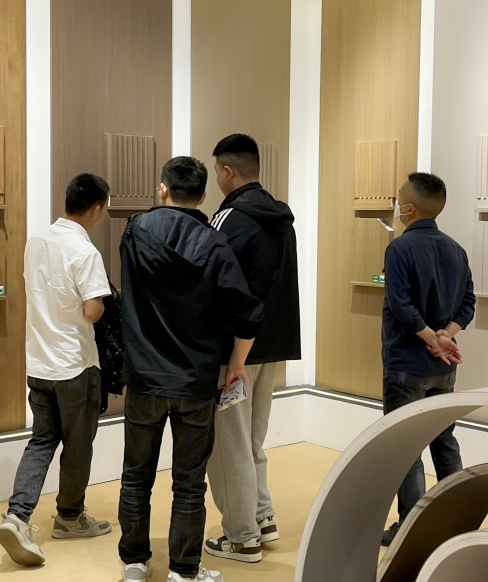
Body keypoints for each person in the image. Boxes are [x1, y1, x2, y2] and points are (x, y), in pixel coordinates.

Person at [117, 156, 264, 582]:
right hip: (195, 381)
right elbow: (248, 315)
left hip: (144, 378)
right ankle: (183, 570)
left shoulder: (134, 233)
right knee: (189, 483)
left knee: (135, 477)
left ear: (163, 189)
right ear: (202, 197)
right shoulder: (214, 244)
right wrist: (236, 364)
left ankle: (134, 563)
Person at [0, 174, 113, 566]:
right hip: (74, 365)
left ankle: (17, 516)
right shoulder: (85, 251)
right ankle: (69, 518)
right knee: (78, 445)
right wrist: (101, 304)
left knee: (42, 440)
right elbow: (92, 310)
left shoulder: (36, 241)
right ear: (96, 208)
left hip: (39, 364)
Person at [204, 134, 301, 564]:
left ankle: (242, 537)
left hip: (235, 353)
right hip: (273, 345)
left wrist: (234, 360)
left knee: (230, 446)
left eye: (216, 171)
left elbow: (213, 283)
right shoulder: (282, 218)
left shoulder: (227, 219)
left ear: (227, 172)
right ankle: (262, 516)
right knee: (252, 440)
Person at [380, 172, 475, 547]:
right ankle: (458, 522)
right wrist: (445, 336)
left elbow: (401, 306)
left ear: (409, 209)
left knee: (406, 450)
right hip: (443, 369)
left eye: (399, 196)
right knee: (444, 441)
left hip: (406, 364)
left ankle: (410, 527)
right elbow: (468, 303)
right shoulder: (456, 250)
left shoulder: (399, 249)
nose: (395, 201)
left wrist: (431, 338)